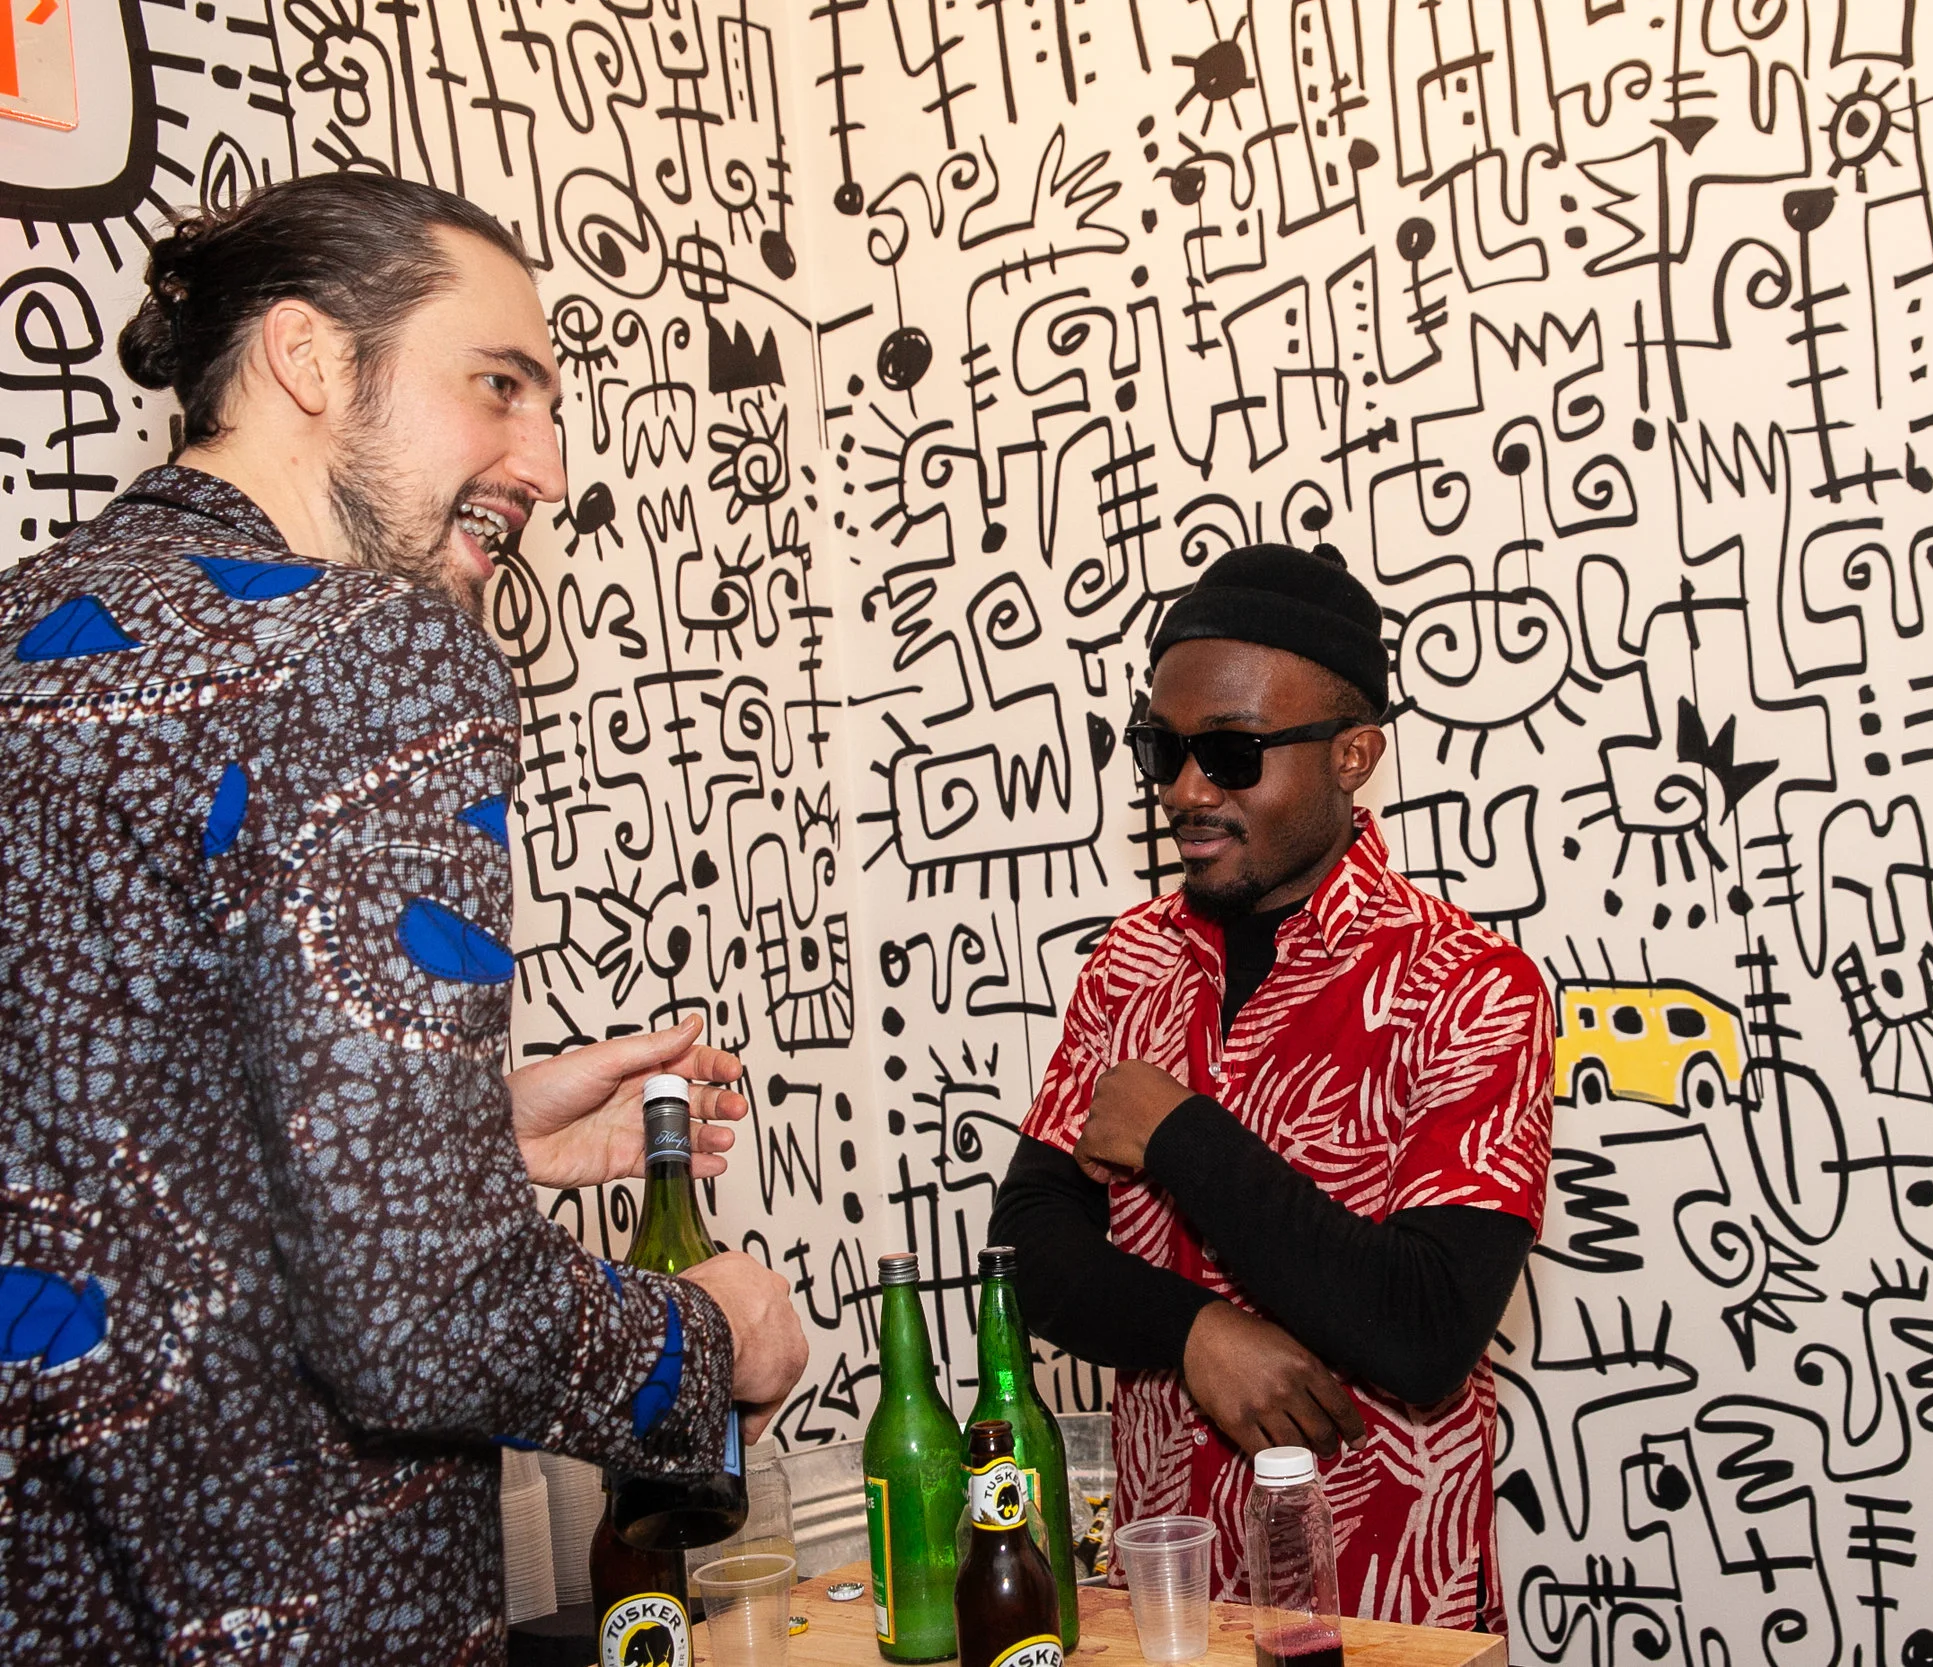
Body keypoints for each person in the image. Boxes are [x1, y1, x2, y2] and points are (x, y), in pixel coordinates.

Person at [0, 173, 808, 1659]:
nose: (546, 463)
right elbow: (422, 1316)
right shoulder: (373, 646)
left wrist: (465, 1133)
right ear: (308, 357)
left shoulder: (21, 635)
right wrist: (709, 1339)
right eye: (499, 384)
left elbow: (88, 1157)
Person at [990, 543, 1554, 1633]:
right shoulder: (1130, 962)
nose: (1185, 789)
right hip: (1168, 1597)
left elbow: (1424, 1327)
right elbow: (1028, 1249)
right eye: (1161, 747)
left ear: (1353, 755)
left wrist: (1178, 1133)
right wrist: (1195, 1330)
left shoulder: (1468, 984)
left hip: (1389, 1606)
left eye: (1232, 752)